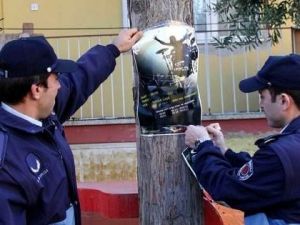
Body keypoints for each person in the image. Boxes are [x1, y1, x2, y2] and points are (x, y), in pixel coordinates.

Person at [0, 29, 142, 225]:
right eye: (56, 78)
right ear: (36, 90)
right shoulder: (5, 162)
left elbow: (79, 80)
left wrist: (113, 49)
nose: (59, 86)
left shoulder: (44, 114)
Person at [184, 54, 300, 225]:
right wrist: (224, 152)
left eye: (262, 96)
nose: (260, 105)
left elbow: (229, 191)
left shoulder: (281, 154)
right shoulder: (290, 147)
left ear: (283, 100)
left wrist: (203, 145)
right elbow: (264, 175)